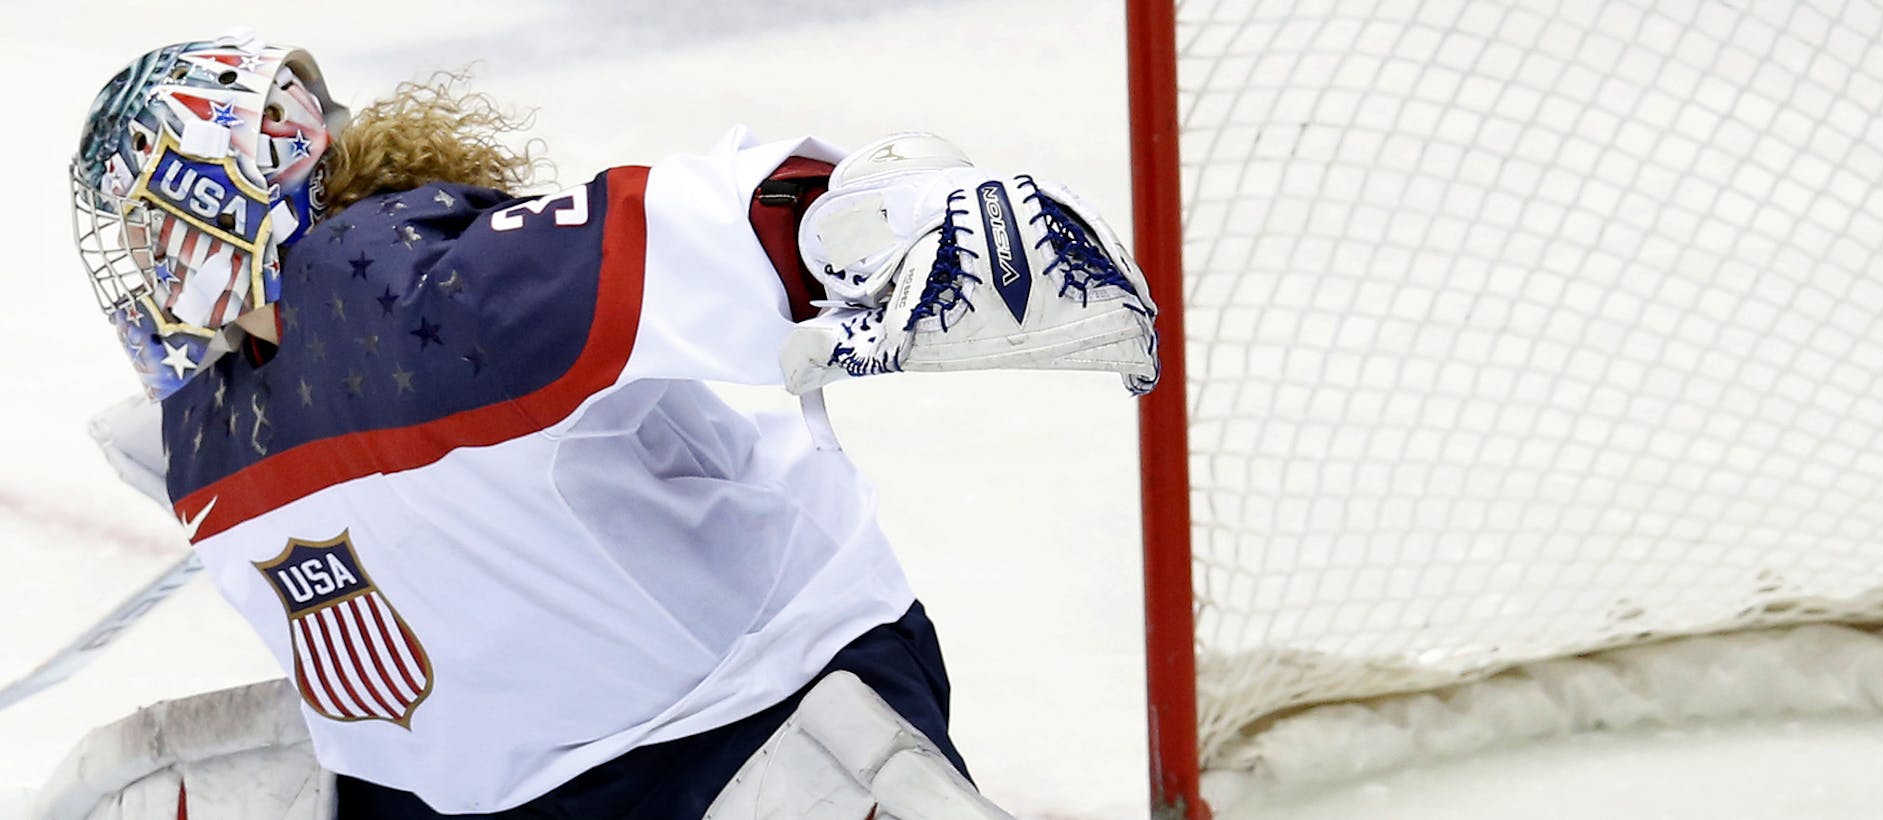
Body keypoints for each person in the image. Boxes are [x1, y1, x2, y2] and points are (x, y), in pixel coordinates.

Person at [62, 30, 1157, 820]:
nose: (138, 261)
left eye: (141, 217)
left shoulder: (418, 292)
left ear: (212, 192)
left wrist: (884, 229)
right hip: (517, 779)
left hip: (753, 711)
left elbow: (699, 224)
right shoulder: (207, 426)